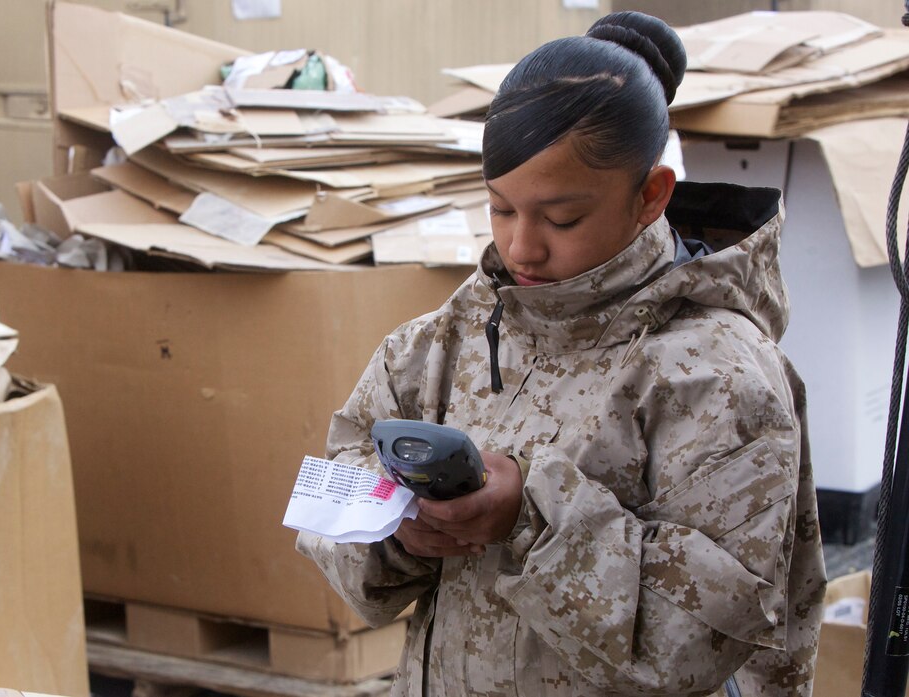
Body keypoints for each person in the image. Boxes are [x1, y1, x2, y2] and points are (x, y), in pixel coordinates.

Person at [297, 10, 826, 696]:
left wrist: (532, 518)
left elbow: (703, 637)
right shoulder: (451, 335)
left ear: (649, 197)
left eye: (561, 217)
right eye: (501, 209)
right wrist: (396, 535)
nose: (522, 247)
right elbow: (326, 493)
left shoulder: (717, 374)